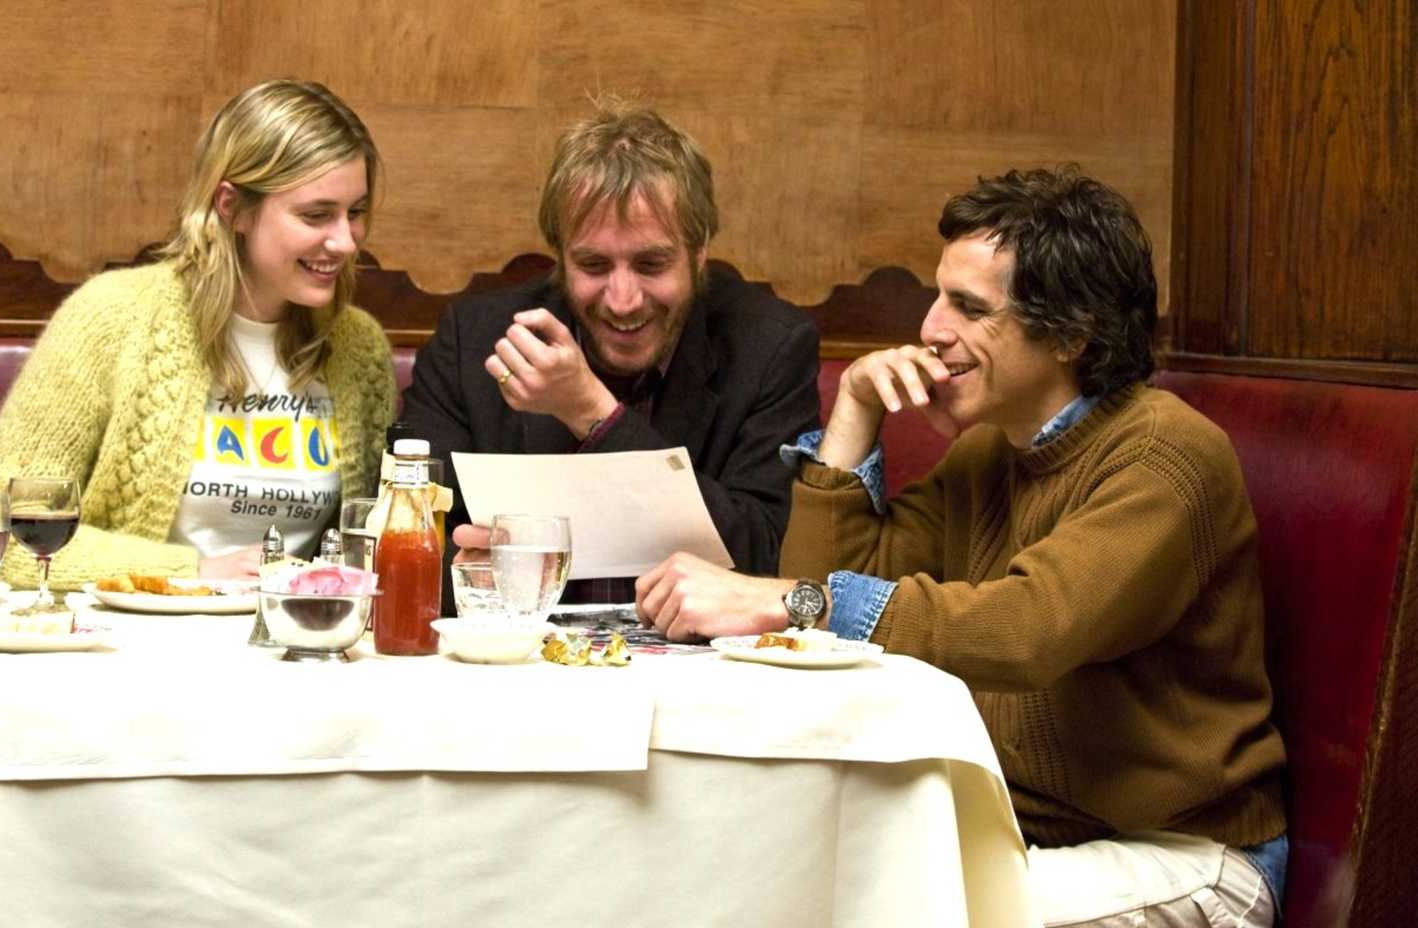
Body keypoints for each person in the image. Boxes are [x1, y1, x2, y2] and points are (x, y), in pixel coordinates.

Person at [636, 166, 1289, 926]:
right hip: (1028, 837)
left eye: (969, 307)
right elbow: (826, 596)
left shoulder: (1163, 455)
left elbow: (1025, 631)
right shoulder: (991, 455)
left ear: (1071, 334)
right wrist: (851, 415)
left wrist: (793, 603)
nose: (931, 328)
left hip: (1184, 854)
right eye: (939, 295)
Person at [0, 79, 397, 586]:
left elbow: (368, 542)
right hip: (128, 641)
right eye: (316, 215)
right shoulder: (110, 318)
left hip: (288, 648)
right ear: (232, 207)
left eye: (356, 213)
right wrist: (189, 572)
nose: (346, 241)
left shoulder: (358, 346)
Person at [399, 98, 821, 603]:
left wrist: (594, 415)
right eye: (594, 266)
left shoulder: (769, 347)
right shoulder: (475, 340)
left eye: (651, 265)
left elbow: (767, 556)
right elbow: (413, 536)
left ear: (700, 253)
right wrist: (475, 576)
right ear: (560, 258)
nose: (623, 301)